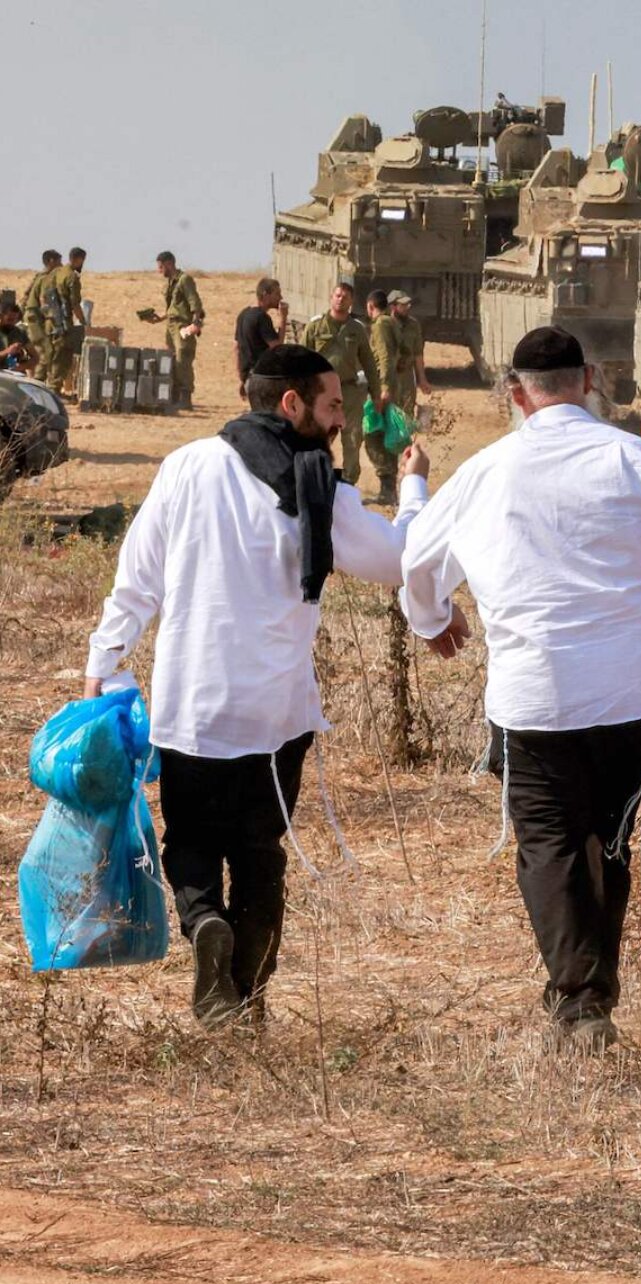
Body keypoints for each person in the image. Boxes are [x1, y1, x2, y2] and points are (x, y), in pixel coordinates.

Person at [83, 345, 429, 1028]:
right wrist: (414, 488)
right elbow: (399, 562)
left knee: (189, 839)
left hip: (192, 705)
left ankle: (205, 921)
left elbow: (138, 576)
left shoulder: (187, 466)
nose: (340, 422)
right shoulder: (319, 489)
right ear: (290, 402)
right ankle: (245, 994)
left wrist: (107, 655)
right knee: (259, 852)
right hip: (277, 714)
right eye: (332, 405)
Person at [401, 327, 641, 1052]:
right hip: (634, 692)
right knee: (611, 835)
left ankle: (581, 998)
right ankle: (591, 989)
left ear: (514, 393)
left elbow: (420, 562)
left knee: (550, 841)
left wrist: (433, 618)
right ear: (588, 379)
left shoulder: (485, 471)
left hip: (536, 696)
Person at [298, 283, 377, 495]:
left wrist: (377, 395)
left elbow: (369, 364)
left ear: (351, 302)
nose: (340, 299)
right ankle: (317, 481)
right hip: (321, 393)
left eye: (345, 297)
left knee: (352, 439)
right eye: (337, 295)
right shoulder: (315, 327)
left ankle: (348, 484)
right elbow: (300, 359)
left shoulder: (357, 329)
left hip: (349, 393)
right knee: (319, 437)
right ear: (331, 297)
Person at [370, 289, 430, 432]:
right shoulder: (383, 325)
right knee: (386, 415)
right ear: (393, 307)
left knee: (406, 415)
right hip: (388, 376)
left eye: (408, 304)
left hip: (406, 377)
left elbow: (417, 354)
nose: (407, 307)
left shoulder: (413, 325)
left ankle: (404, 447)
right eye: (403, 305)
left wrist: (422, 379)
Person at [153, 252, 205, 410]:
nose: (159, 271)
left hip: (183, 326)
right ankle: (174, 395)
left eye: (161, 267)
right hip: (170, 325)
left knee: (183, 358)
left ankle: (185, 396)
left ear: (169, 264)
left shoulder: (185, 280)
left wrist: (196, 323)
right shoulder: (170, 283)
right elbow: (172, 308)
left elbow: (194, 303)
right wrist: (158, 318)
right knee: (171, 359)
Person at [23, 250, 65, 386]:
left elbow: (26, 295)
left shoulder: (40, 276)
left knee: (43, 351)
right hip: (34, 318)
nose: (62, 264)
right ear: (51, 261)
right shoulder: (47, 278)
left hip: (33, 317)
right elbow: (44, 302)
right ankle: (36, 385)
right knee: (46, 351)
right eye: (59, 261)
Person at [234, 279, 287, 386]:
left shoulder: (243, 314)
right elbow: (277, 347)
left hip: (248, 376)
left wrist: (241, 376)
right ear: (265, 295)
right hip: (261, 376)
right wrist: (283, 318)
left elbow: (236, 347)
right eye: (277, 293)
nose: (280, 298)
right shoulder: (262, 317)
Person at [60, 247, 88, 394]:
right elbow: (75, 303)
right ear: (78, 259)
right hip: (63, 321)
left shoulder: (59, 272)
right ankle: (65, 388)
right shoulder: (72, 277)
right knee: (67, 354)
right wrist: (84, 321)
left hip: (50, 320)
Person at [0, 301, 33, 373]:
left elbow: (35, 357)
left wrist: (20, 367)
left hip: (13, 374)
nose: (12, 323)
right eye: (9, 320)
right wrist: (7, 351)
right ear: (1, 316)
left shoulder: (19, 333)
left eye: (15, 320)